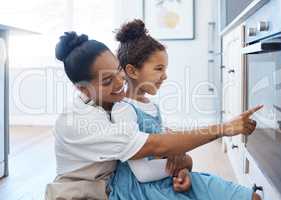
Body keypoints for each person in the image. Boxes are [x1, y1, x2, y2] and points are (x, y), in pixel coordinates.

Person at [45, 31, 262, 200]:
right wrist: (223, 129)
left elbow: (160, 141)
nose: (120, 82)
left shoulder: (116, 105)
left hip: (115, 185)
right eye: (107, 81)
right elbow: (154, 147)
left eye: (117, 71)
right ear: (82, 89)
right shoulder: (83, 122)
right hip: (86, 194)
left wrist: (179, 156)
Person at [108, 19, 261, 200]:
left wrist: (182, 168)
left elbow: (166, 150)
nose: (165, 75)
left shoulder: (152, 107)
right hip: (141, 190)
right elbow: (144, 173)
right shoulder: (123, 110)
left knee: (252, 197)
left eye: (165, 69)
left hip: (166, 178)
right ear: (132, 71)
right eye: (158, 69)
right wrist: (182, 164)